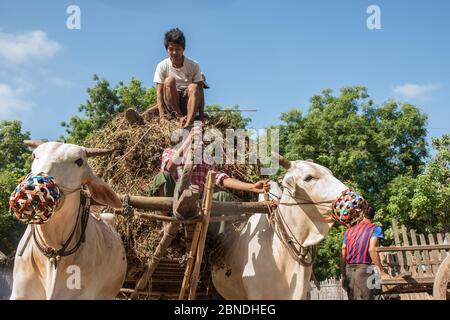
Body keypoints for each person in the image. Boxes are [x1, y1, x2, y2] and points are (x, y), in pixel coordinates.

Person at [149, 127, 270, 238]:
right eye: (197, 140)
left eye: (202, 141)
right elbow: (169, 168)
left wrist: (252, 187)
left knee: (222, 196)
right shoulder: (170, 152)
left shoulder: (206, 161)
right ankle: (166, 225)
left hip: (195, 206)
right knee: (163, 177)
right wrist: (188, 141)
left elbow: (222, 179)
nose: (201, 144)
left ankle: (223, 238)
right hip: (172, 204)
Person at [125, 28, 207, 128]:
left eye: (178, 49)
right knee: (169, 81)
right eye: (171, 49)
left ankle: (189, 123)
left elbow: (200, 92)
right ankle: (140, 120)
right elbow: (159, 93)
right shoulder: (162, 66)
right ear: (167, 50)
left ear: (183, 49)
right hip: (171, 104)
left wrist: (202, 116)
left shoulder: (194, 65)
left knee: (194, 87)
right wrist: (162, 116)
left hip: (188, 104)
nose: (174, 53)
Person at [340, 205, 389, 300]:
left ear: (362, 215)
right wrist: (382, 272)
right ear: (373, 216)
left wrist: (343, 274)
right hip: (364, 269)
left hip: (348, 270)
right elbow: (371, 249)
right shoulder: (375, 229)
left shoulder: (349, 231)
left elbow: (343, 250)